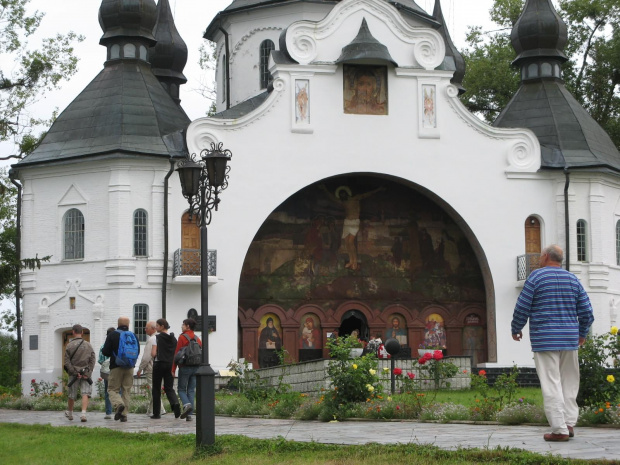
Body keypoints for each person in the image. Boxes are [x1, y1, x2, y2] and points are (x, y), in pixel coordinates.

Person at [511, 244, 594, 442]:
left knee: (551, 383)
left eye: (541, 256)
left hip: (545, 338)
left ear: (546, 256)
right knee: (570, 382)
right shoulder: (573, 279)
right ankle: (569, 423)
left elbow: (523, 306)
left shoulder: (536, 277)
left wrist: (516, 328)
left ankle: (559, 429)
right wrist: (582, 333)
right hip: (569, 339)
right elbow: (587, 312)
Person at [319, 184, 385, 270]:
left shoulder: (355, 198)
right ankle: (351, 260)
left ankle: (355, 261)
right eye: (341, 195)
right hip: (347, 222)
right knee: (347, 242)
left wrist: (378, 189)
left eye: (343, 194)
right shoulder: (343, 202)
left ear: (347, 193)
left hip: (354, 222)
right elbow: (333, 198)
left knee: (350, 242)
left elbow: (367, 194)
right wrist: (325, 189)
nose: (342, 196)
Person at [102, 316, 140, 422]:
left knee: (112, 389)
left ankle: (118, 405)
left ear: (117, 324)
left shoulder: (112, 335)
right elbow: (138, 352)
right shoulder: (134, 336)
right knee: (126, 390)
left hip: (116, 366)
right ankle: (124, 415)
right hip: (130, 367)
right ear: (128, 325)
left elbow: (105, 351)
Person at [172, 318, 203, 421]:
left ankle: (186, 404)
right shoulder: (197, 338)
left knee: (181, 389)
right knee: (191, 390)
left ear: (187, 326)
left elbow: (177, 354)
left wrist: (173, 369)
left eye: (183, 324)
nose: (182, 326)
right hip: (195, 367)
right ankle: (189, 415)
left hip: (184, 367)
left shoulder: (182, 337)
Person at [64, 324, 96, 422]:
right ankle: (83, 414)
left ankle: (70, 413)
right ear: (82, 332)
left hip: (73, 374)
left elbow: (66, 361)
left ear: (73, 332)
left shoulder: (69, 345)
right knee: (85, 393)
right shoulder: (88, 345)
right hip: (85, 373)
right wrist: (88, 372)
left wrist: (74, 372)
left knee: (72, 394)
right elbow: (92, 359)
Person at [150, 318, 181, 419]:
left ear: (162, 326)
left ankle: (156, 413)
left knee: (156, 389)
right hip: (170, 364)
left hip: (159, 364)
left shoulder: (156, 338)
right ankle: (175, 403)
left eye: (157, 326)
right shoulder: (173, 339)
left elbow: (153, 353)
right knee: (169, 388)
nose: (156, 328)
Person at [136, 321, 165, 416]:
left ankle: (161, 409)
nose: (145, 330)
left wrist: (140, 369)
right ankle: (150, 410)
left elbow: (146, 357)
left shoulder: (152, 339)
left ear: (153, 329)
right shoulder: (161, 338)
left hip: (151, 367)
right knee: (156, 389)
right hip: (160, 367)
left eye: (146, 328)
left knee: (153, 389)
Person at [98, 326, 116, 419]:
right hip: (117, 370)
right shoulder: (118, 345)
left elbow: (100, 360)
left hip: (107, 372)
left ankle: (108, 413)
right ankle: (118, 410)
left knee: (107, 391)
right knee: (118, 390)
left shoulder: (103, 346)